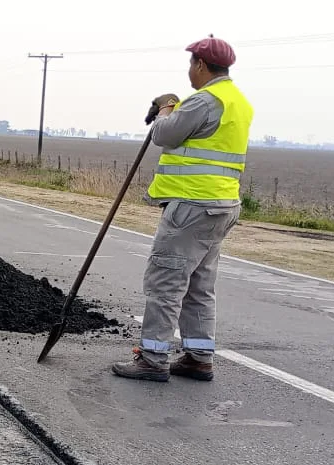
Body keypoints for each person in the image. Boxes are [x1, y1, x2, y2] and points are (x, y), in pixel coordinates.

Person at [112, 36, 253, 382]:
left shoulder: (204, 101)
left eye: (191, 64)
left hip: (191, 207)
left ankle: (153, 358)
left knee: (166, 282)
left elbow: (164, 134)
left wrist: (165, 108)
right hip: (221, 207)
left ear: (201, 65)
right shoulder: (238, 102)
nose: (189, 70)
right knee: (199, 285)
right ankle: (198, 357)